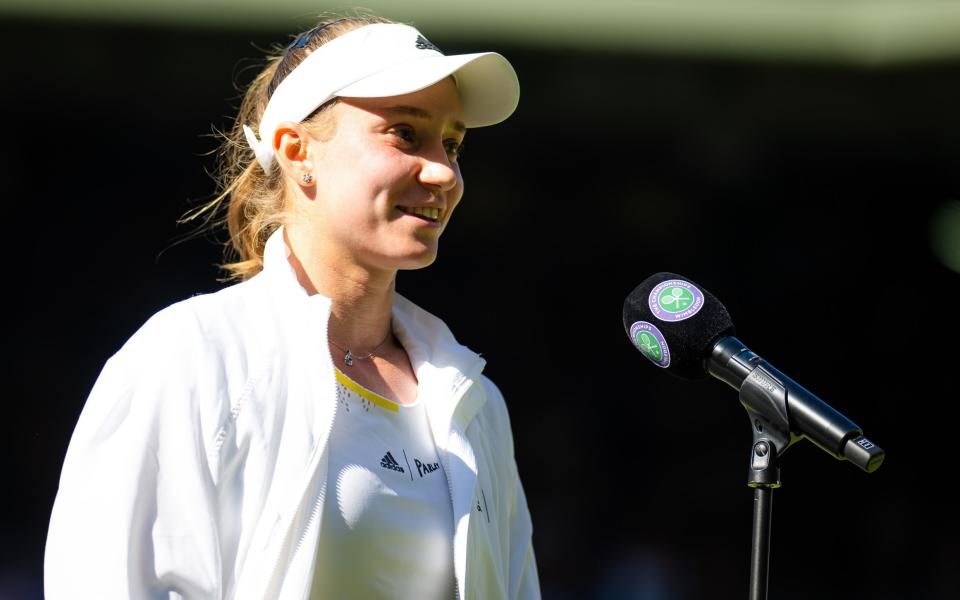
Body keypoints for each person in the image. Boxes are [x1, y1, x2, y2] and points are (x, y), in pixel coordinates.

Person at [44, 13, 540, 600]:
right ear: (297, 150)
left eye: (453, 143)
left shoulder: (474, 400)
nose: (443, 172)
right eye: (406, 133)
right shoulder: (189, 356)